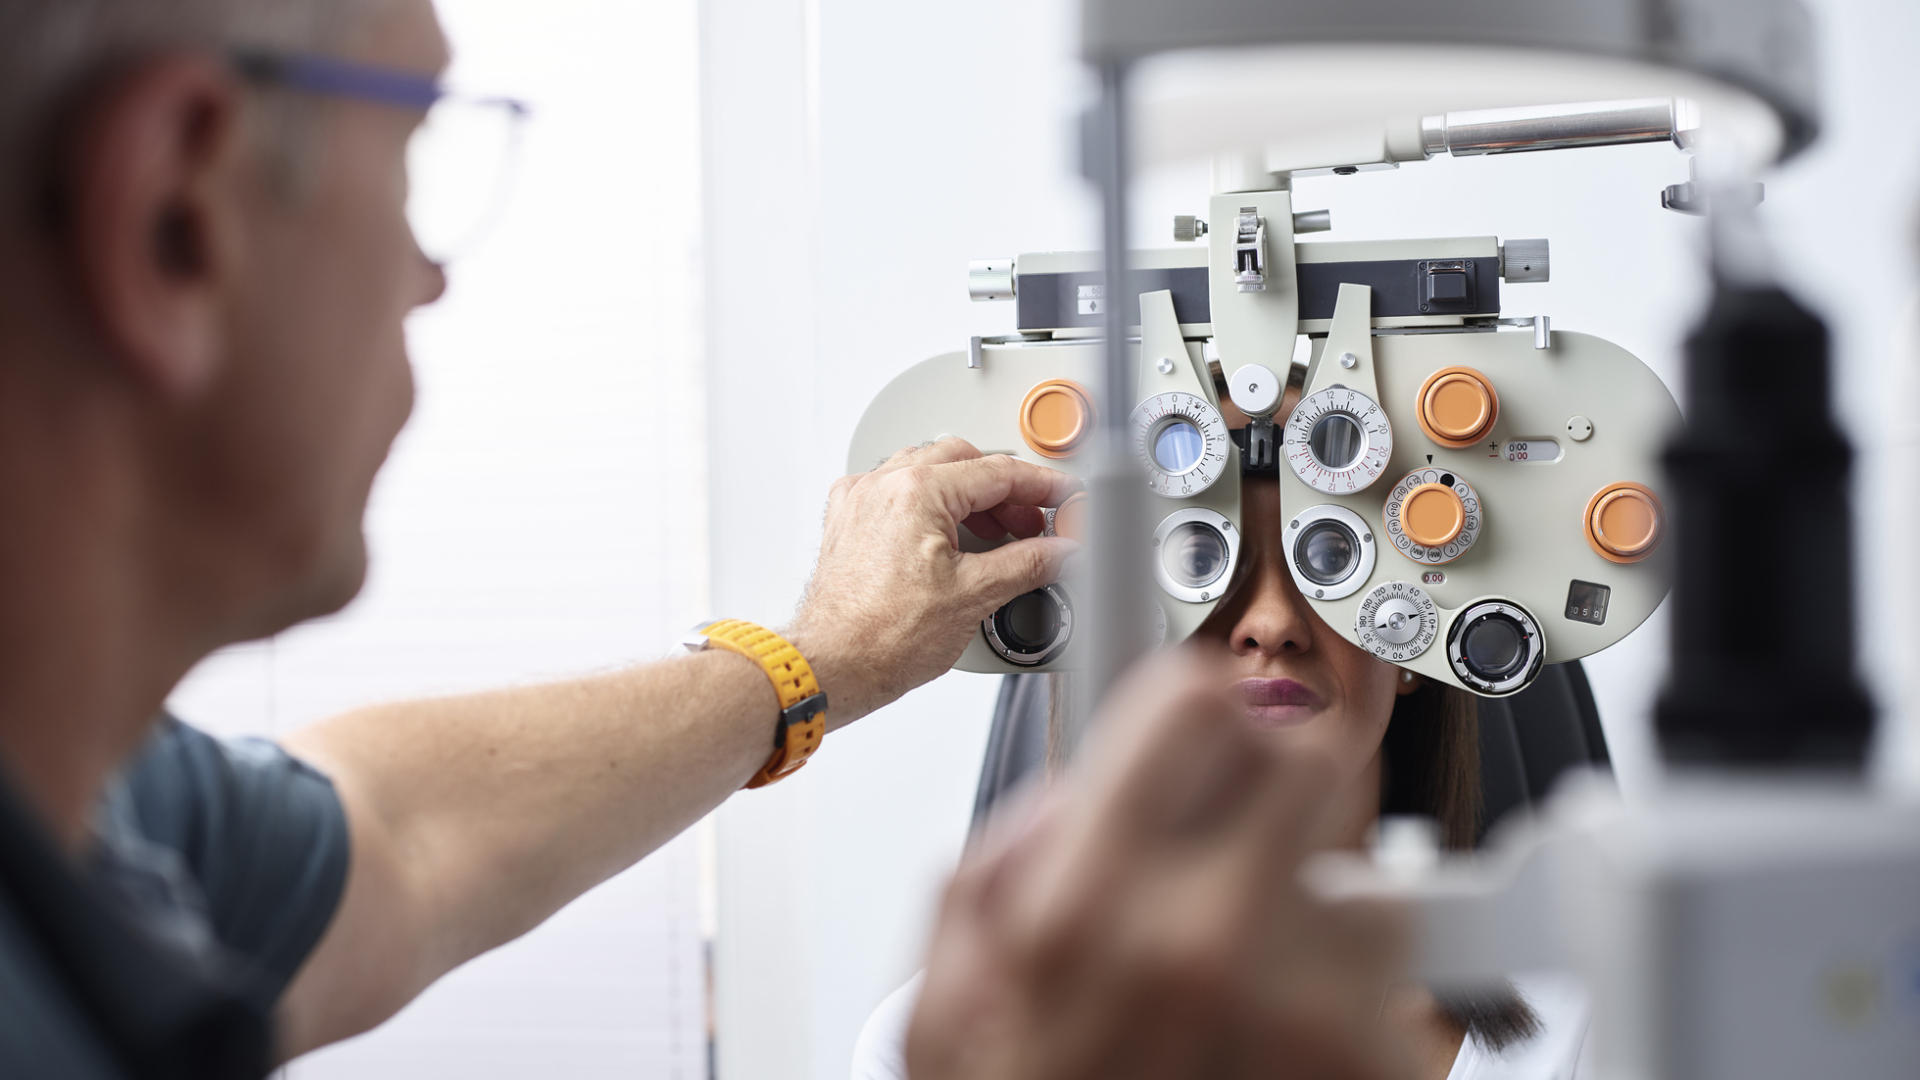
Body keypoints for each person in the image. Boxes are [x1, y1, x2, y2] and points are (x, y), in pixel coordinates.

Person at [0, 1, 1419, 1077]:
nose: (431, 273)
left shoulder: (109, 840)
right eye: (418, 153)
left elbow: (400, 830)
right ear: (175, 214)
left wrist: (821, 659)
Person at [856, 380, 1593, 1080]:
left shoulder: (1589, 1033)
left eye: (1333, 555)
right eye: (1198, 558)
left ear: (1413, 649)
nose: (1271, 622)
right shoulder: (940, 1043)